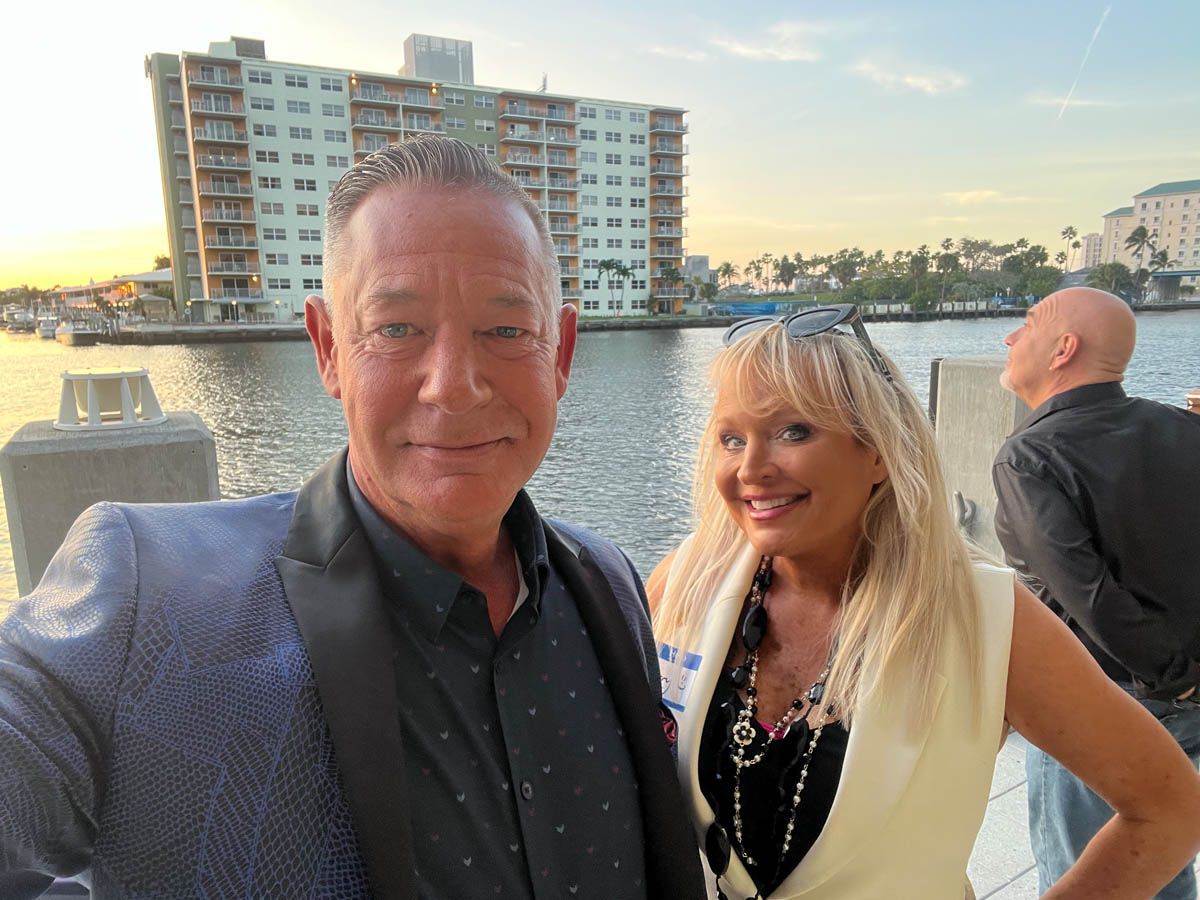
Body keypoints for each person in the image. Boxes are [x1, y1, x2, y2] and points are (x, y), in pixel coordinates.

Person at [0, 136, 704, 900]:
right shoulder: (148, 597)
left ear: (560, 352)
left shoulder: (607, 583)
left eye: (505, 330)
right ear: (329, 347)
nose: (455, 387)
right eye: (398, 329)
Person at [648, 304, 1200, 899]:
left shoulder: (985, 620)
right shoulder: (681, 588)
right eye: (732, 439)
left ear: (879, 451)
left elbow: (1168, 809)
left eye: (794, 431)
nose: (750, 469)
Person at [993, 286, 1200, 899]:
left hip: (1100, 708)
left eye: (1026, 325)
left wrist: (1174, 678)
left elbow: (1087, 595)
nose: (1010, 338)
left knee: (1093, 877)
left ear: (1063, 349)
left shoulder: (1029, 457)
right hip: (1190, 699)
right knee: (1164, 861)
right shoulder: (1183, 430)